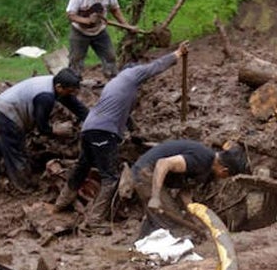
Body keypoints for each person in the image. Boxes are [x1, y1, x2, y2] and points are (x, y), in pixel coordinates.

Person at [53, 42, 189, 232]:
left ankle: (61, 204)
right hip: (103, 132)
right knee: (110, 177)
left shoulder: (116, 85)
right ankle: (95, 221)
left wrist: (135, 133)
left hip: (90, 128)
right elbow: (154, 67)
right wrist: (177, 54)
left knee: (82, 167)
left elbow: (123, 114)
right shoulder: (131, 75)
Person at [0, 68, 87, 191]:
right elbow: (41, 127)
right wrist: (56, 130)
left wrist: (91, 120)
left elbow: (75, 105)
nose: (72, 94)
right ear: (59, 87)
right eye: (70, 91)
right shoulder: (46, 97)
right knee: (16, 152)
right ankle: (25, 186)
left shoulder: (54, 83)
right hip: (7, 114)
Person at [131, 139, 249, 236]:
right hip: (146, 171)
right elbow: (163, 163)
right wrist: (155, 197)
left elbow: (185, 194)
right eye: (226, 176)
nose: (222, 178)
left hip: (154, 175)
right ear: (224, 170)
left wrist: (195, 222)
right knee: (171, 221)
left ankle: (140, 246)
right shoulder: (202, 158)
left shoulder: (207, 170)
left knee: (168, 214)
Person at [65, 0, 129, 78]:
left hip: (100, 31)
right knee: (76, 60)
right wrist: (87, 21)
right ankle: (74, 82)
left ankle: (113, 79)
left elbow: (115, 9)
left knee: (110, 57)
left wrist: (126, 25)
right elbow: (70, 15)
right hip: (79, 32)